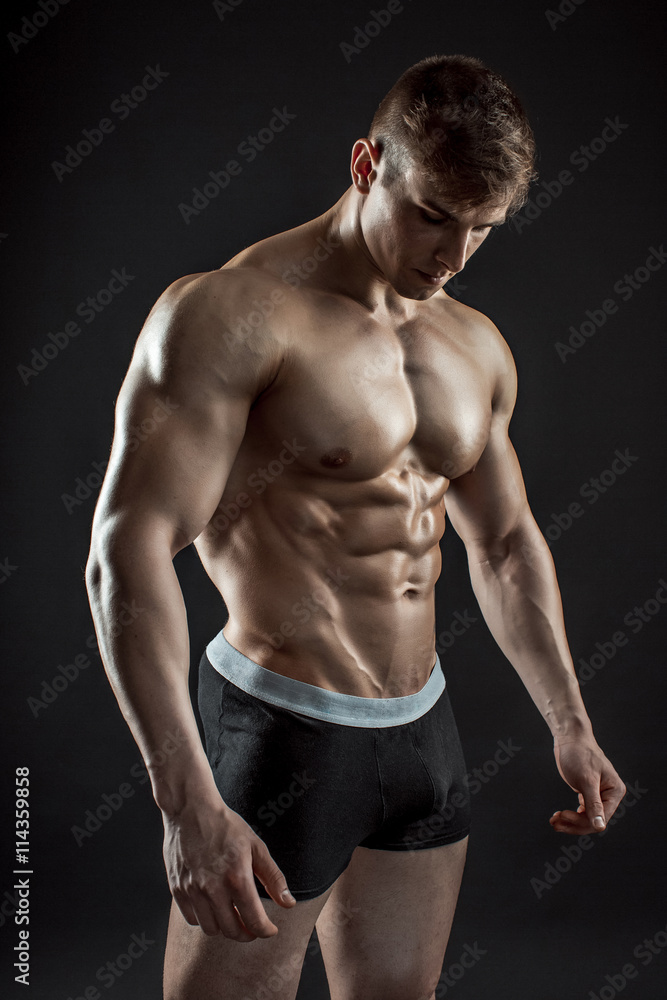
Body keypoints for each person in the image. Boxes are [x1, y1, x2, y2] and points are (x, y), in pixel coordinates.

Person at [85, 54, 626, 1000]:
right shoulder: (230, 316)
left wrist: (567, 722)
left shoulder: (472, 345)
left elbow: (502, 544)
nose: (450, 256)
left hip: (423, 732)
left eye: (481, 230)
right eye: (432, 216)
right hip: (280, 730)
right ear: (368, 165)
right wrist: (185, 805)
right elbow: (125, 556)